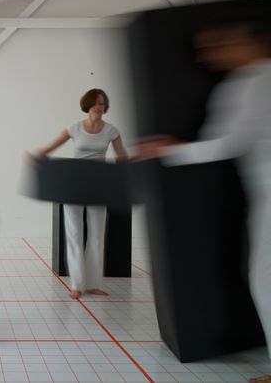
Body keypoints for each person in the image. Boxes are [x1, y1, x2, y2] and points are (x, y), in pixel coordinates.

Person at [138, 21, 271, 383]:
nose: (208, 55)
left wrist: (168, 150)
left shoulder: (252, 80)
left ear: (250, 40)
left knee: (264, 278)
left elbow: (230, 142)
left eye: (219, 44)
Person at [33, 89, 128, 299]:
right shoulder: (74, 128)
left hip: (98, 186)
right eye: (95, 103)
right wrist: (37, 156)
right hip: (74, 185)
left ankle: (93, 284)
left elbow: (122, 157)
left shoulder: (111, 131)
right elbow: (50, 147)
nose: (98, 107)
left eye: (102, 103)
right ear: (87, 105)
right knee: (74, 233)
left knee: (97, 234)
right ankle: (77, 285)